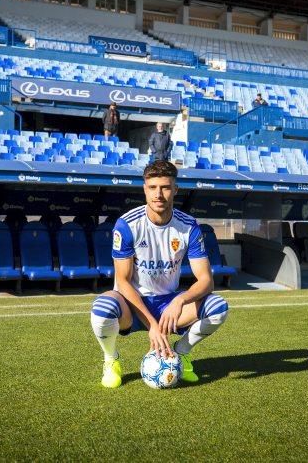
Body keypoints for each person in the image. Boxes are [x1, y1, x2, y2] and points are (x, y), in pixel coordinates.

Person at [89, 161, 228, 389]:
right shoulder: (127, 225)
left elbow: (206, 281)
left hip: (168, 303)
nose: (159, 194)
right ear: (144, 189)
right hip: (131, 303)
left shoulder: (189, 227)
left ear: (175, 190)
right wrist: (152, 325)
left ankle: (181, 353)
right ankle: (111, 359)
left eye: (165, 187)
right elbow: (123, 282)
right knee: (102, 309)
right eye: (152, 187)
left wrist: (180, 300)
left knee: (218, 308)